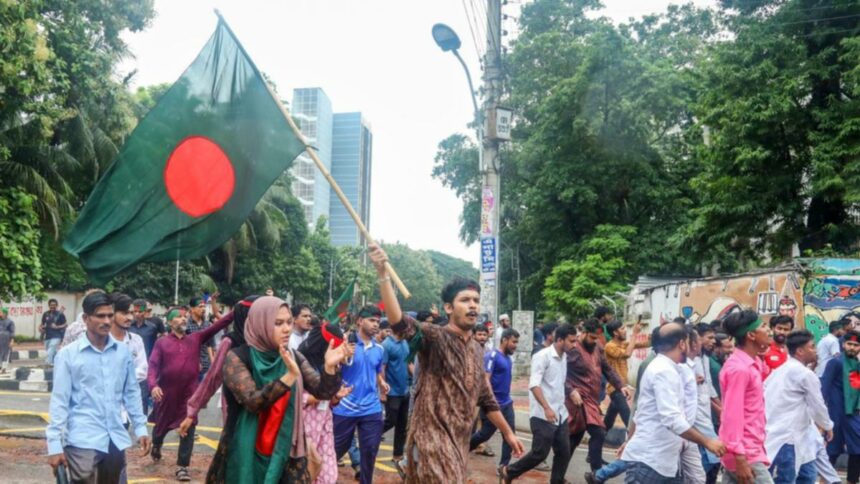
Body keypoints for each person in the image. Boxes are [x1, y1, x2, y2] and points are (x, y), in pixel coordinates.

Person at [370, 243, 524, 483]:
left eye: (476, 300)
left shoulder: (476, 349)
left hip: (458, 446)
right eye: (465, 300)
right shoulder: (434, 336)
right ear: (449, 308)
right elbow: (399, 323)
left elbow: (487, 400)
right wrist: (382, 275)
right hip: (430, 442)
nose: (473, 304)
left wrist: (508, 433)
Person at [207, 296, 351, 483]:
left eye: (289, 322)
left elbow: (322, 391)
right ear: (261, 324)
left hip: (285, 447)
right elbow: (253, 402)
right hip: (245, 448)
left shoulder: (293, 356)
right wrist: (288, 378)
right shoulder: (237, 357)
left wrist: (330, 368)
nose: (286, 329)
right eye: (278, 323)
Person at [46, 292, 151, 482]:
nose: (107, 321)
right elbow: (60, 401)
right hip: (81, 439)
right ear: (86, 318)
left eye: (110, 315)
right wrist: (54, 444)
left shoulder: (123, 353)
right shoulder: (68, 356)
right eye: (100, 316)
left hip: (115, 438)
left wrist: (141, 428)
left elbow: (131, 393)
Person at [617, 322, 726, 483]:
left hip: (663, 462)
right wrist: (707, 441)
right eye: (689, 342)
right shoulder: (663, 371)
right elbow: (672, 418)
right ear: (682, 344)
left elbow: (641, 413)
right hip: (649, 462)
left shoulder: (672, 368)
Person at [147, 306, 233, 481]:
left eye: (185, 316)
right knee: (160, 428)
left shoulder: (196, 338)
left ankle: (182, 466)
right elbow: (153, 367)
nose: (183, 319)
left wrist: (236, 310)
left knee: (189, 426)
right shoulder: (161, 343)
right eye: (178, 317)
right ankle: (156, 445)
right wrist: (153, 386)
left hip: (189, 396)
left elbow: (217, 326)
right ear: (170, 322)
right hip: (167, 396)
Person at [502, 324, 577, 484]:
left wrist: (569, 395)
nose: (574, 345)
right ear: (559, 340)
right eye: (571, 341)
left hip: (560, 413)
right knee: (539, 454)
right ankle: (508, 471)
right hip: (542, 414)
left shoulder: (564, 357)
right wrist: (547, 408)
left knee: (564, 451)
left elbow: (558, 383)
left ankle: (556, 481)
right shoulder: (542, 356)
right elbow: (534, 385)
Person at [180, 296, 260, 434]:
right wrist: (192, 411)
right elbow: (212, 378)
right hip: (236, 406)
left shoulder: (271, 343)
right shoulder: (230, 342)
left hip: (267, 405)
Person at [764, 329, 833, 484]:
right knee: (787, 479)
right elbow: (818, 406)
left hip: (795, 435)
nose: (816, 351)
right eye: (812, 347)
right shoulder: (805, 374)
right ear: (800, 351)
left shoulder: (779, 371)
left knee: (808, 475)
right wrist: (827, 425)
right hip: (788, 437)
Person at [332, 305, 388, 484]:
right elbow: (331, 368)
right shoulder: (345, 345)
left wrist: (382, 383)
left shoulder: (379, 349)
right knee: (335, 450)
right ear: (359, 321)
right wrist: (342, 356)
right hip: (345, 407)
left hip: (371, 408)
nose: (375, 325)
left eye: (378, 322)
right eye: (372, 320)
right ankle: (324, 478)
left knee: (370, 451)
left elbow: (376, 370)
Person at [567, 319, 630, 474]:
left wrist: (621, 386)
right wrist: (570, 390)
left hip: (592, 400)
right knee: (591, 434)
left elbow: (607, 369)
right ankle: (594, 472)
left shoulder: (597, 348)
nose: (594, 341)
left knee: (589, 435)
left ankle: (595, 473)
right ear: (583, 333)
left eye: (597, 338)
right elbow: (560, 374)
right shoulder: (573, 349)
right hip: (577, 400)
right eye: (592, 337)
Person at [720, 310, 774, 484]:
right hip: (745, 453)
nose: (769, 330)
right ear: (751, 335)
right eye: (763, 326)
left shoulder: (751, 362)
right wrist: (739, 456)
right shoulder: (739, 369)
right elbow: (731, 415)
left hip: (749, 449)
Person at [470, 328, 520, 473]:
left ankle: (503, 466)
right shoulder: (492, 356)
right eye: (513, 342)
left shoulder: (508, 358)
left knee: (509, 434)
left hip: (507, 403)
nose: (515, 345)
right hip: (492, 405)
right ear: (504, 340)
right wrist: (491, 402)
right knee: (484, 434)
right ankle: (462, 449)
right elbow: (485, 380)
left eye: (517, 342)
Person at [822, 328, 860, 483]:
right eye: (849, 344)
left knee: (858, 449)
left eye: (856, 345)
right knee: (832, 450)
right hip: (836, 413)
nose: (852, 347)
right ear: (843, 345)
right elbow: (824, 388)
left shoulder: (857, 365)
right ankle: (824, 480)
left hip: (853, 415)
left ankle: (852, 480)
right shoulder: (835, 363)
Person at [603, 319, 648, 430]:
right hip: (615, 388)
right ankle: (633, 439)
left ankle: (599, 437)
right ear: (615, 332)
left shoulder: (623, 344)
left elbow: (645, 343)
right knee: (628, 418)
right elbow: (627, 354)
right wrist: (635, 334)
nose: (625, 331)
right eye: (622, 328)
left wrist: (659, 334)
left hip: (621, 388)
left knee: (608, 422)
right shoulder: (609, 346)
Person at [109, 294, 149, 416]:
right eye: (125, 313)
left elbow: (142, 370)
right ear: (112, 313)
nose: (130, 317)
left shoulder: (136, 340)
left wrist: (118, 378)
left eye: (131, 313)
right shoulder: (100, 340)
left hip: (125, 408)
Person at [693, 323, 722, 484]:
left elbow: (709, 387)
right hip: (694, 416)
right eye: (709, 338)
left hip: (705, 416)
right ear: (698, 338)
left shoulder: (704, 358)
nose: (713, 341)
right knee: (712, 456)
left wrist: (720, 408)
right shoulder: (690, 360)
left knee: (709, 457)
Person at [381, 319, 411, 473]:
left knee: (402, 424)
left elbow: (408, 363)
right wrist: (383, 392)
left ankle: (397, 454)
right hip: (392, 391)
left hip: (404, 390)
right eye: (405, 327)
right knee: (391, 420)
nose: (408, 330)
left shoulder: (405, 343)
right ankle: (372, 433)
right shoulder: (387, 345)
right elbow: (382, 368)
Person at [186, 296, 220, 381]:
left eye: (204, 306)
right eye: (200, 306)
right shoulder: (186, 325)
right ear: (192, 309)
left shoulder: (207, 324)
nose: (203, 309)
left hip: (206, 366)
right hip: (189, 367)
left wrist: (213, 361)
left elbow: (211, 343)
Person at [41, 298, 67, 365]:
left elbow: (65, 325)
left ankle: (47, 363)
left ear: (57, 305)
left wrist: (57, 327)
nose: (52, 306)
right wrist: (41, 328)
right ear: (49, 305)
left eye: (54, 305)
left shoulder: (60, 314)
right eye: (51, 305)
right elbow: (43, 324)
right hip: (47, 336)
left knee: (51, 349)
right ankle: (56, 363)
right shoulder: (46, 314)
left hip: (56, 336)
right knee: (52, 351)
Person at [0, 307, 14, 373]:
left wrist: (11, 341)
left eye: (1, 312)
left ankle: (4, 368)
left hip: (6, 340)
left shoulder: (10, 322)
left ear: (5, 313)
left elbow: (12, 332)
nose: (0, 313)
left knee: (6, 354)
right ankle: (1, 366)